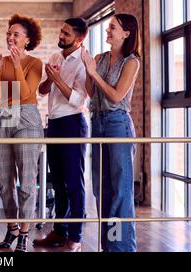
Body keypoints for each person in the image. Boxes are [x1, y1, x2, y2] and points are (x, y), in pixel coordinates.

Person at [81, 13, 140, 252]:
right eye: (107, 28)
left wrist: (94, 73)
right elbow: (89, 92)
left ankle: (121, 247)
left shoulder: (131, 61)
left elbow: (116, 96)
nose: (108, 31)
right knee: (101, 188)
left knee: (120, 189)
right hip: (98, 122)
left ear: (126, 33)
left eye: (112, 28)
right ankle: (108, 245)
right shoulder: (100, 58)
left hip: (118, 124)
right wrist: (88, 69)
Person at [33, 18, 89, 252]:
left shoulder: (84, 62)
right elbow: (43, 91)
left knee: (74, 183)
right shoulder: (56, 57)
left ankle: (75, 237)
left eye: (66, 34)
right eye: (61, 31)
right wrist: (49, 79)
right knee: (57, 182)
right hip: (54, 123)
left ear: (79, 39)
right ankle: (59, 231)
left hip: (73, 124)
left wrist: (57, 80)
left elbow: (79, 99)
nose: (61, 36)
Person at [0, 14, 43, 252]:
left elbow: (26, 92)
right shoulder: (2, 62)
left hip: (27, 117)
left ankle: (24, 232)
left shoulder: (35, 63)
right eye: (9, 33)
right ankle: (11, 229)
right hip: (5, 116)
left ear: (27, 40)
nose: (10, 37)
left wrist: (18, 63)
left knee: (27, 181)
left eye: (16, 34)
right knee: (3, 180)